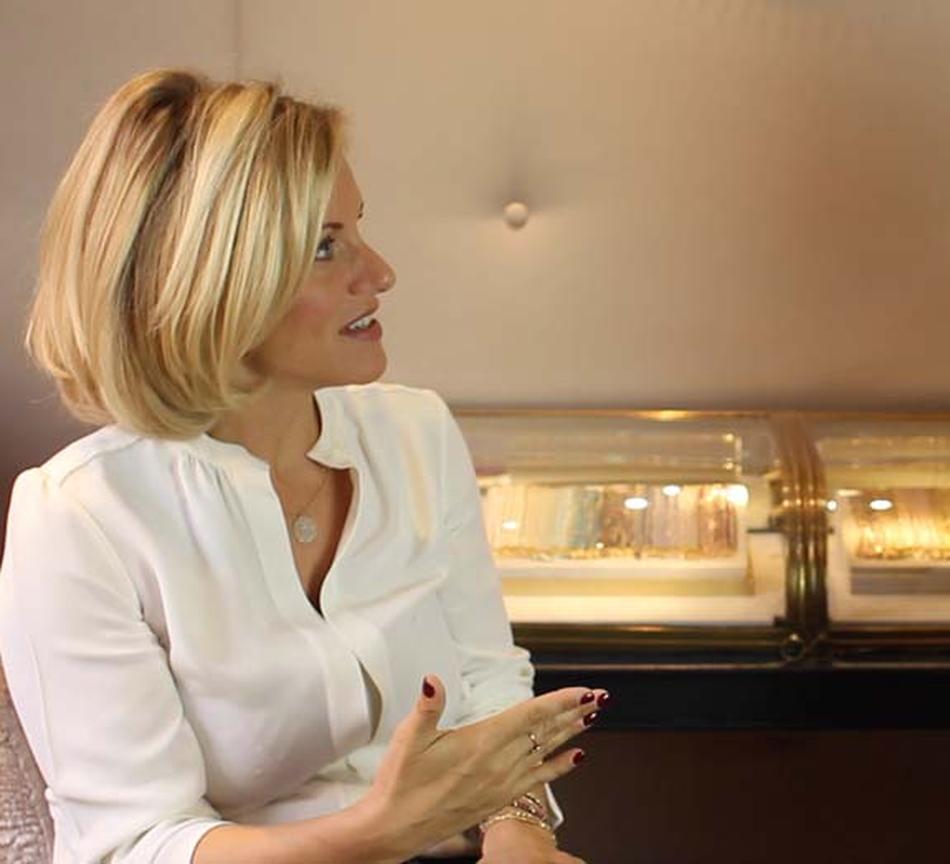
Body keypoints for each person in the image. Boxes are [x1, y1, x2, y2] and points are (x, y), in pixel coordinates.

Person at [0, 69, 605, 864]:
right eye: (326, 246)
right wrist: (379, 834)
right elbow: (135, 844)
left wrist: (519, 830)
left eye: (359, 228)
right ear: (208, 282)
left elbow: (489, 690)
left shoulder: (416, 433)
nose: (379, 273)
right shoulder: (80, 517)